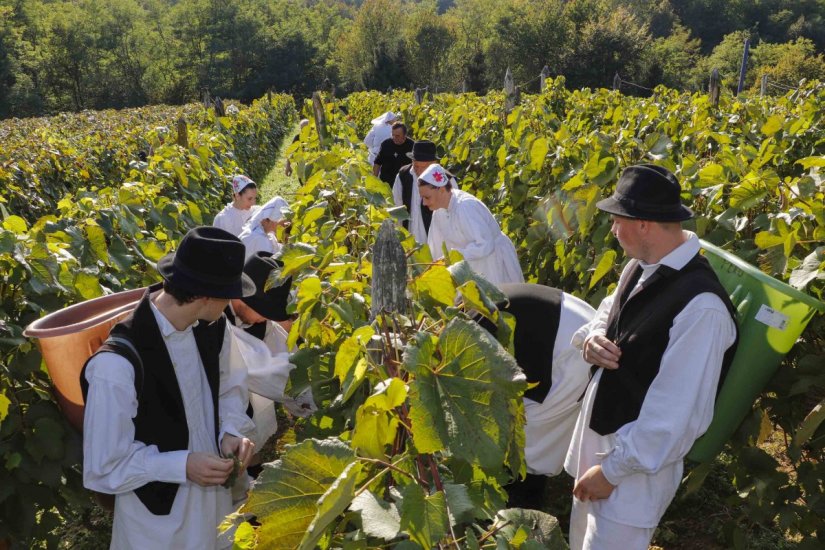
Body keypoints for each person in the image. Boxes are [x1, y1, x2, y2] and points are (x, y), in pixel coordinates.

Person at [563, 164, 739, 550]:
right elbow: (610, 308)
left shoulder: (702, 308)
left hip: (634, 476)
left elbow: (673, 417)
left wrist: (610, 472)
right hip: (603, 448)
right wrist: (592, 336)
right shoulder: (642, 266)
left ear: (643, 224)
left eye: (617, 220)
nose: (612, 230)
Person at [81, 226, 257, 549]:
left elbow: (231, 385)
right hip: (158, 527)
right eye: (228, 295)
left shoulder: (214, 327)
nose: (231, 304)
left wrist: (230, 430)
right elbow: (102, 467)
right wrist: (181, 465)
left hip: (214, 511)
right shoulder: (115, 366)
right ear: (205, 296)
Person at [475, 283, 594, 509]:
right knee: (524, 436)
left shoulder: (455, 350)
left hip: (571, 348)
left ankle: (519, 515)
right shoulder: (459, 325)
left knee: (528, 447)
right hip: (568, 321)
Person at [224, 251, 312, 452]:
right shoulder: (217, 320)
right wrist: (310, 397)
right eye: (263, 313)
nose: (265, 319)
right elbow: (264, 370)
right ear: (242, 298)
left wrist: (309, 386)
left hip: (249, 410)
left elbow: (288, 359)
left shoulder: (263, 324)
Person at [419, 163, 524, 286]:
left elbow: (485, 244)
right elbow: (436, 245)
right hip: (472, 267)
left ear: (442, 190)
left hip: (492, 262)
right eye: (422, 198)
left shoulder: (466, 207)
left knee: (499, 301)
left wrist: (455, 256)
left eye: (427, 197)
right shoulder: (438, 211)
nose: (424, 203)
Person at [391, 140, 440, 244]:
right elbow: (397, 205)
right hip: (409, 239)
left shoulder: (444, 180)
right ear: (412, 161)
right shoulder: (403, 175)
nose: (420, 171)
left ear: (434, 164)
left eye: (424, 167)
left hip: (435, 241)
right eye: (416, 166)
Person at [373, 122, 414, 187]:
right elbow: (377, 162)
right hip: (386, 184)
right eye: (393, 135)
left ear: (405, 135)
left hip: (404, 185)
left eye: (397, 136)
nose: (394, 138)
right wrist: (374, 181)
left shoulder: (412, 146)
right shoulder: (386, 144)